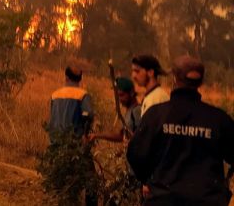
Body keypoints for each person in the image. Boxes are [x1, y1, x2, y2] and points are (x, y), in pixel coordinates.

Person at [127, 55, 234, 206]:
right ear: (201, 82)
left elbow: (135, 154)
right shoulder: (218, 119)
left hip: (162, 200)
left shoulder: (156, 115)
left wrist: (149, 180)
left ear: (174, 78)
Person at [49, 66, 96, 206]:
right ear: (80, 79)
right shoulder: (83, 95)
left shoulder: (55, 95)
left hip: (56, 144)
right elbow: (88, 115)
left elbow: (52, 119)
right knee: (91, 180)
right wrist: (86, 134)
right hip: (76, 144)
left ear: (66, 77)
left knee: (62, 181)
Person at [89, 77, 141, 142]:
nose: (120, 99)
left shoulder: (137, 111)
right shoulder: (130, 111)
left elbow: (142, 137)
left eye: (122, 95)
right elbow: (121, 136)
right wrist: (97, 135)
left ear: (131, 93)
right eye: (118, 96)